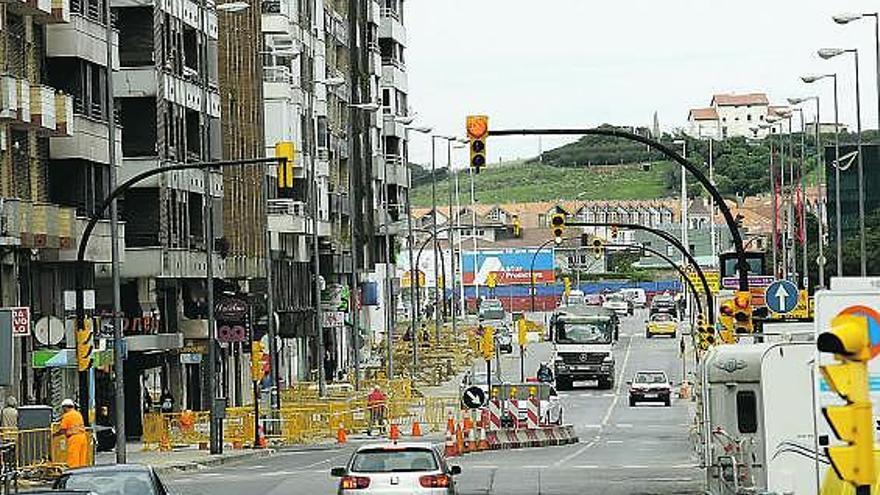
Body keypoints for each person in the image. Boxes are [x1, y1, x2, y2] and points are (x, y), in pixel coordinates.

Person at [56, 399, 88, 468]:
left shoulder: (67, 415)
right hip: (83, 437)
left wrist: (55, 435)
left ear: (65, 407)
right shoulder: (78, 414)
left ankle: (73, 474)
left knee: (73, 458)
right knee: (82, 459)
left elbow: (63, 429)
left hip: (74, 438)